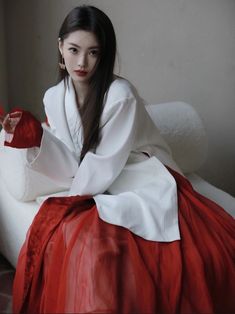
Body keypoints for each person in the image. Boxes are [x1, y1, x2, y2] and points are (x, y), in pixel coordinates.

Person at [0, 5, 234, 314]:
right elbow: (72, 158)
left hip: (140, 169)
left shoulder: (120, 94)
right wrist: (33, 135)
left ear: (104, 54)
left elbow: (105, 161)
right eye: (74, 49)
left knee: (125, 239)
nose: (82, 62)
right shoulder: (54, 96)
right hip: (100, 172)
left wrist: (70, 201)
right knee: (87, 243)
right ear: (60, 47)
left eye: (93, 53)